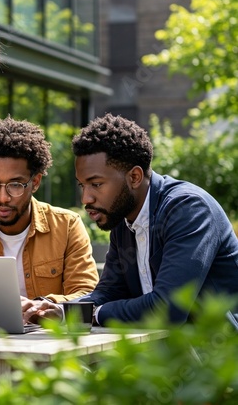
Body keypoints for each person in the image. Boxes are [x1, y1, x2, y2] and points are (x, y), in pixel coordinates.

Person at [23, 113, 238, 326]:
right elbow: (109, 292)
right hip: (163, 353)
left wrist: (93, 314)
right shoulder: (123, 217)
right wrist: (59, 310)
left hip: (216, 355)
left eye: (96, 184)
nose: (85, 198)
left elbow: (169, 308)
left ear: (134, 177)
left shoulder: (188, 209)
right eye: (82, 185)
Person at [0, 116, 99, 304]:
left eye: (15, 185)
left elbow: (85, 293)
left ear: (35, 182)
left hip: (45, 332)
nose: (2, 197)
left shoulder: (66, 227)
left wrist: (40, 307)